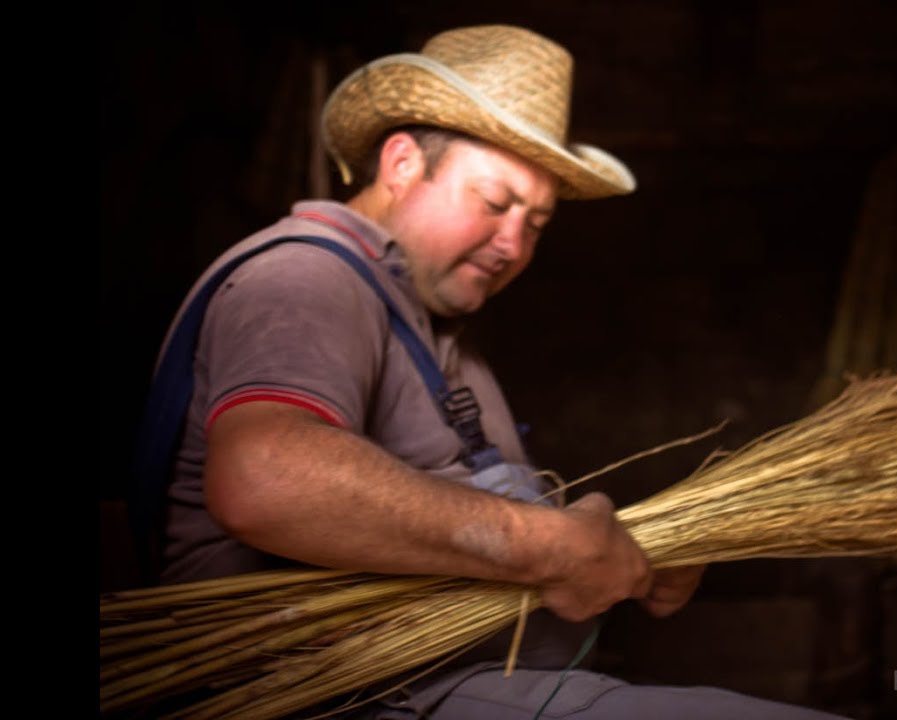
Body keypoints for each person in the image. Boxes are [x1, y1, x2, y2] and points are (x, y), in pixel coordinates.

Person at [138, 23, 848, 719]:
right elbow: (264, 479)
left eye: (537, 223)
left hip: (462, 682)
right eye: (496, 203)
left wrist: (636, 553)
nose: (513, 244)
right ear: (402, 165)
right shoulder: (304, 276)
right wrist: (547, 545)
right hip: (354, 696)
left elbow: (501, 538)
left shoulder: (432, 325)